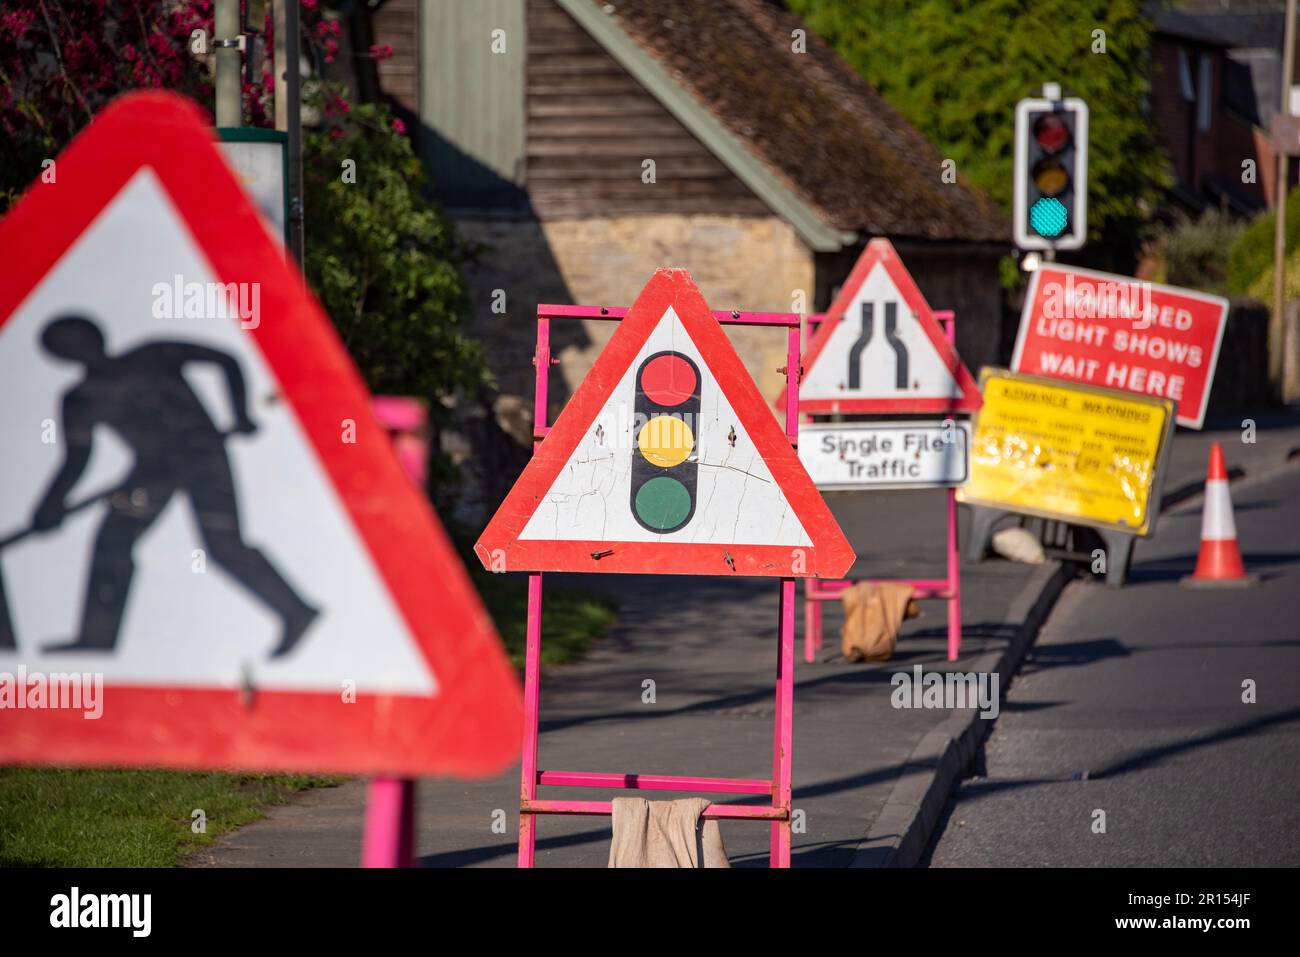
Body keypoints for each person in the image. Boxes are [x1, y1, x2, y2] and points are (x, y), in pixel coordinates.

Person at [31, 314, 318, 657]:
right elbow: (76, 458)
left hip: (202, 456)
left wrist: (239, 413)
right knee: (112, 542)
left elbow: (225, 360)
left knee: (224, 545)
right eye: (64, 346)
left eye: (78, 338)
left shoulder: (153, 354)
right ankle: (97, 637)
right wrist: (50, 504)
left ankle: (296, 611)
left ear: (96, 335)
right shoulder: (80, 399)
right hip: (151, 473)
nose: (77, 348)